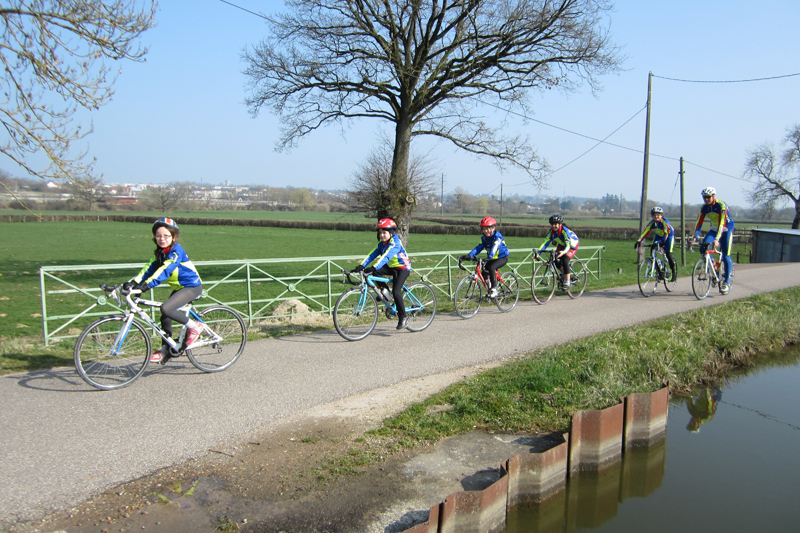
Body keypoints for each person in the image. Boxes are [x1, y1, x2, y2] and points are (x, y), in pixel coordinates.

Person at [130, 218, 204, 362]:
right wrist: (132, 283)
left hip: (192, 287)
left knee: (166, 308)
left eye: (166, 236)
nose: (162, 239)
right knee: (165, 315)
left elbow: (166, 269)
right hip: (179, 288)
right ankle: (166, 349)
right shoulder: (160, 253)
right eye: (158, 236)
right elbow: (148, 269)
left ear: (174, 237)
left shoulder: (176, 252)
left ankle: (195, 327)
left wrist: (147, 286)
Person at [353, 218, 412, 330]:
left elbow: (386, 257)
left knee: (396, 291)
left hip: (403, 268)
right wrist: (362, 265)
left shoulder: (395, 243)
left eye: (384, 233)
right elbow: (372, 255)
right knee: (372, 273)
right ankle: (385, 292)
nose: (382, 235)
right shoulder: (382, 244)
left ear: (391, 233)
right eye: (380, 233)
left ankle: (403, 316)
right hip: (392, 267)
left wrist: (374, 267)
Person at [690, 187, 734, 294]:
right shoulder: (704, 207)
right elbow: (699, 222)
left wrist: (717, 239)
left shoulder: (721, 205)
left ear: (714, 196)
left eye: (708, 197)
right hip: (714, 230)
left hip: (726, 229)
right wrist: (695, 237)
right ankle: (714, 265)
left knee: (725, 255)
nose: (706, 199)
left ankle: (726, 282)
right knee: (703, 248)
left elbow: (722, 223)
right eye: (704, 197)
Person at [459, 216, 509, 299]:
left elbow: (495, 247)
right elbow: (478, 248)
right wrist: (469, 255)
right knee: (484, 273)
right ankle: (489, 290)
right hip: (492, 258)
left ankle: (494, 289)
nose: (485, 231)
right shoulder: (484, 239)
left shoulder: (498, 237)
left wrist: (489, 257)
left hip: (502, 257)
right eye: (483, 229)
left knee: (492, 267)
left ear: (493, 228)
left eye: (487, 228)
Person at [533, 214, 579, 288]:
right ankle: (564, 273)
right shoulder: (551, 232)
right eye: (552, 224)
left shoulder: (564, 231)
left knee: (565, 260)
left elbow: (568, 245)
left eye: (555, 224)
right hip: (562, 244)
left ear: (560, 224)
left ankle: (567, 283)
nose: (553, 226)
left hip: (571, 245)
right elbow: (545, 243)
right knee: (555, 259)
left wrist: (563, 252)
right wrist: (539, 253)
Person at [635, 206, 678, 282]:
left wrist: (663, 241)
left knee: (668, 253)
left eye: (658, 215)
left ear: (661, 215)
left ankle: (673, 272)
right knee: (652, 250)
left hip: (668, 236)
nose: (656, 217)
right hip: (659, 236)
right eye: (654, 215)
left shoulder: (665, 222)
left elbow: (666, 231)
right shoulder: (652, 223)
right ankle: (657, 269)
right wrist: (639, 240)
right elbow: (646, 231)